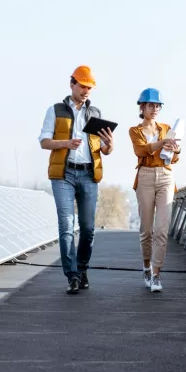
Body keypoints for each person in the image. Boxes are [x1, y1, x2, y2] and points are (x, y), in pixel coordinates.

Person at [39, 66, 114, 294]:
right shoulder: (56, 110)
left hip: (89, 174)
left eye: (89, 87)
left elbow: (104, 149)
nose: (86, 91)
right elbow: (44, 141)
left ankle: (82, 270)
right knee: (66, 227)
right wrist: (65, 143)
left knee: (89, 228)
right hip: (64, 174)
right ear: (72, 84)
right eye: (82, 86)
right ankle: (71, 275)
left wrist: (109, 145)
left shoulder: (96, 113)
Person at [128, 88, 181, 292]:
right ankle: (146, 267)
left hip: (166, 176)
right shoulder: (135, 130)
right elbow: (141, 150)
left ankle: (157, 274)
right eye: (151, 105)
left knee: (162, 230)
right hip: (145, 177)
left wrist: (175, 150)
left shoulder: (166, 128)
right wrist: (162, 143)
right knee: (147, 230)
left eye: (157, 105)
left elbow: (174, 158)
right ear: (142, 107)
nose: (155, 109)